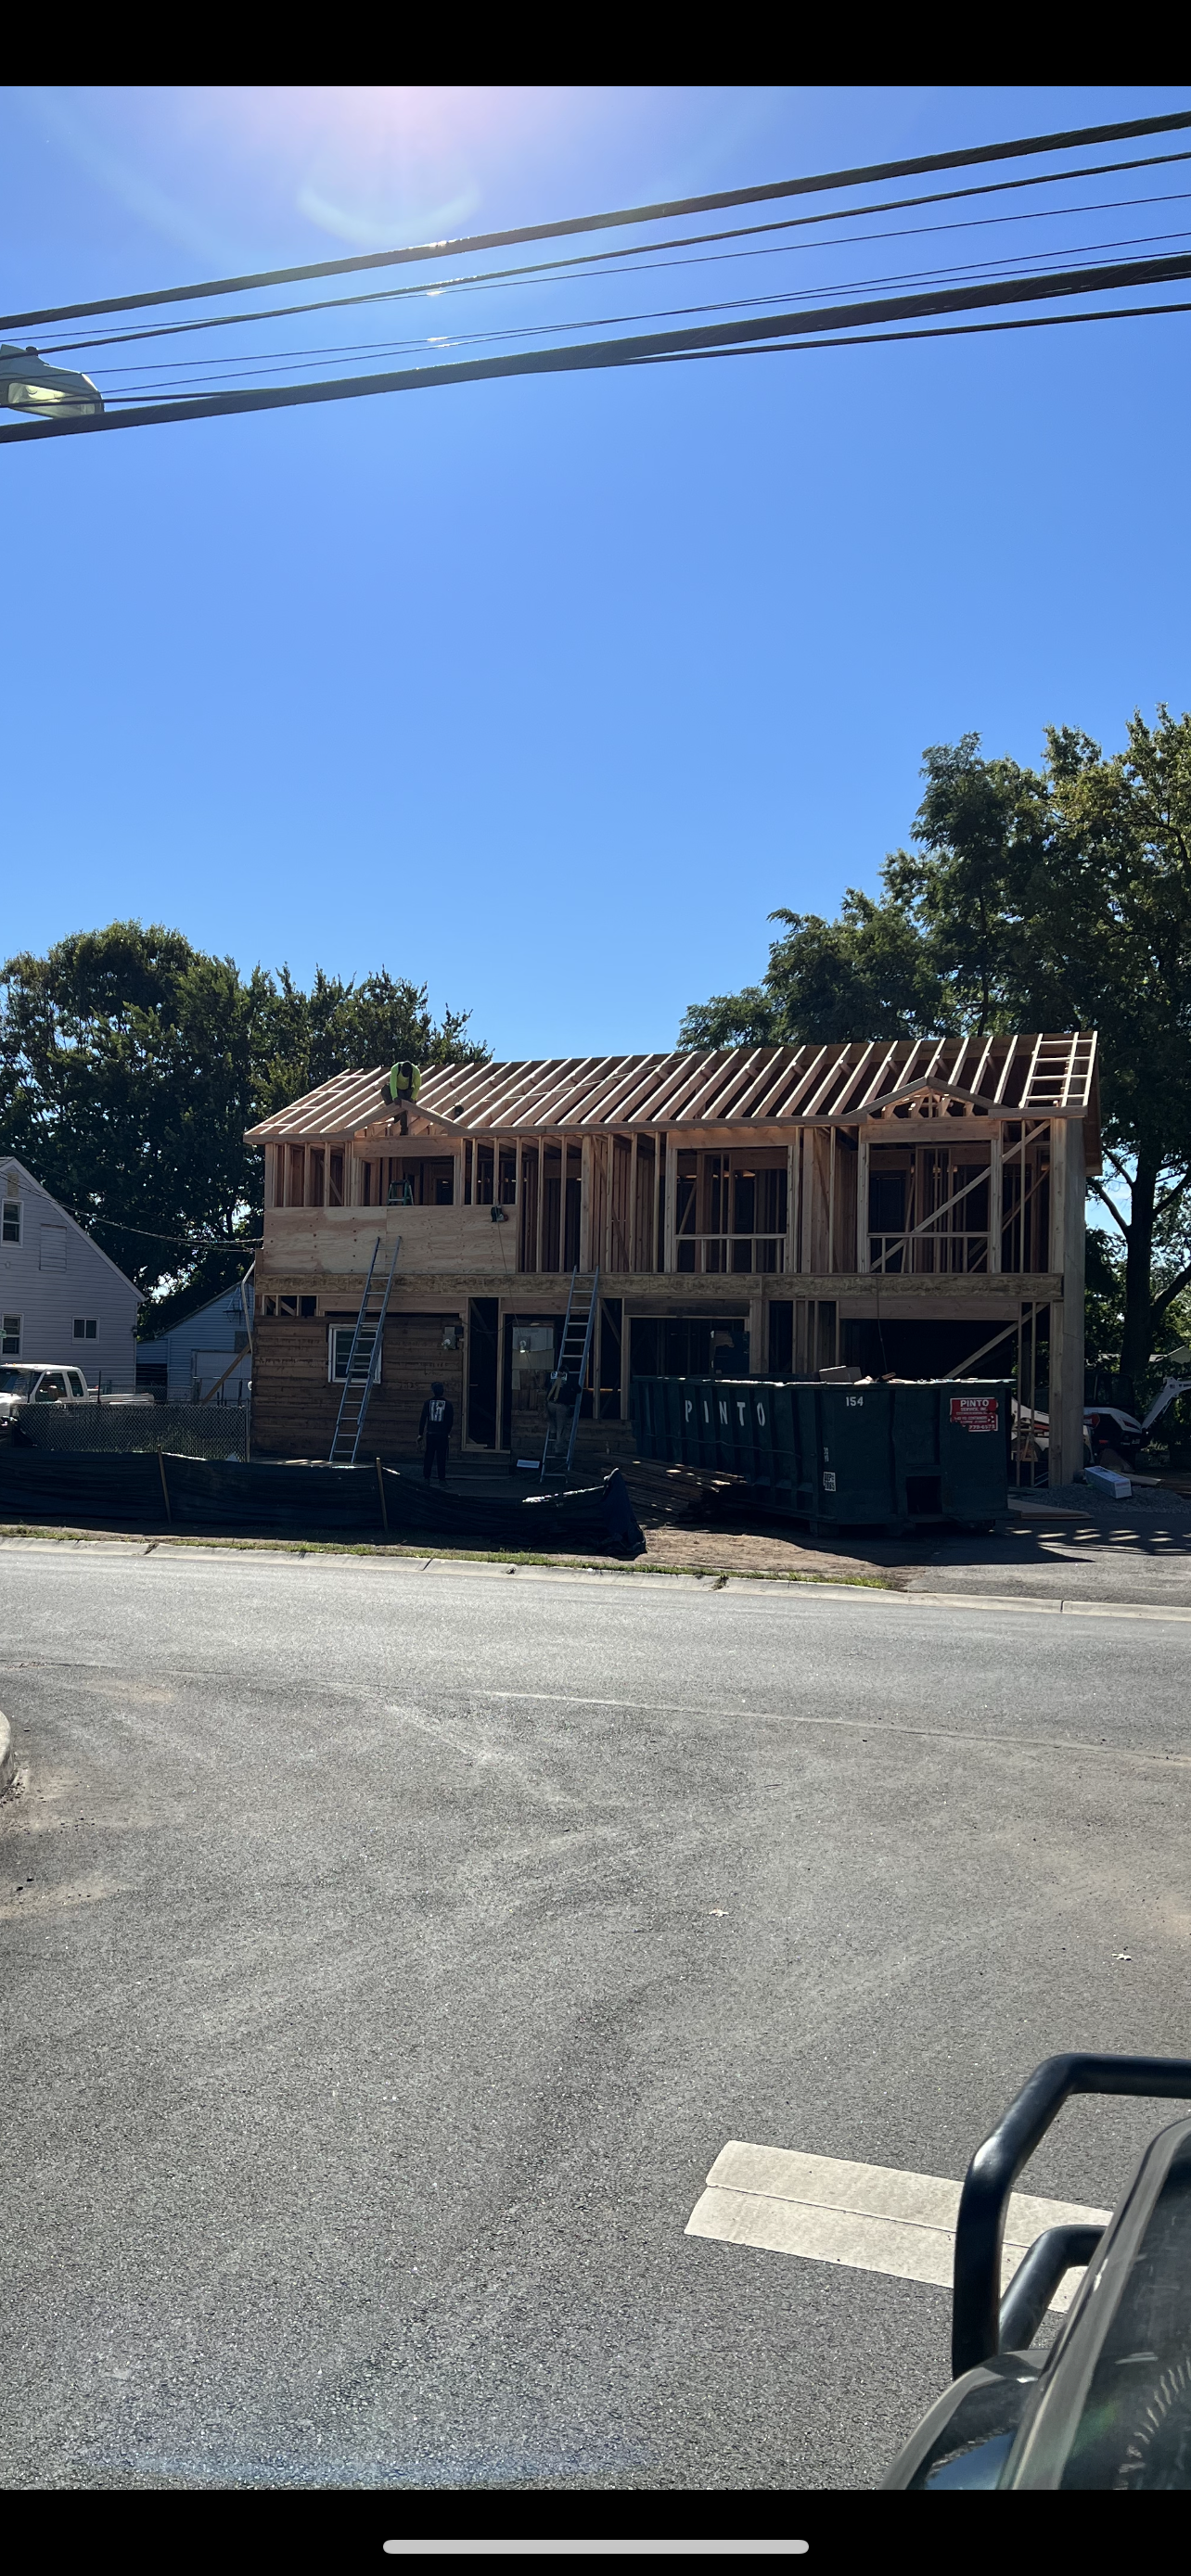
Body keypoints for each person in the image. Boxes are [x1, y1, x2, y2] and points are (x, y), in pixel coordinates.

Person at [419, 1380, 454, 1482]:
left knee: (429, 1456)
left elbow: (423, 1419)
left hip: (431, 1433)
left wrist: (420, 1433)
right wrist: (447, 1431)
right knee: (441, 1457)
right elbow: (450, 1420)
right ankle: (441, 1479)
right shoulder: (448, 1404)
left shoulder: (427, 1403)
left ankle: (426, 1477)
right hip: (442, 1434)